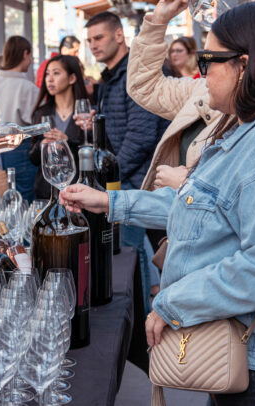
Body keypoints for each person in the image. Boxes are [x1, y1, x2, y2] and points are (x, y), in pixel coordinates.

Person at [61, 1, 255, 403]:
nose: (201, 74)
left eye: (208, 60)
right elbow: (205, 209)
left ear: (243, 65)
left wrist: (173, 302)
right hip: (244, 351)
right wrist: (111, 203)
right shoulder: (253, 124)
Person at [84, 11, 167, 312]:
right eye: (90, 40)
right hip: (127, 175)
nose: (93, 45)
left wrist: (110, 177)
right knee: (135, 252)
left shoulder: (134, 71)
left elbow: (142, 136)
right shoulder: (111, 76)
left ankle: (142, 322)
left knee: (133, 253)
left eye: (99, 37)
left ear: (119, 36)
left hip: (139, 177)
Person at [126, 2, 223, 257]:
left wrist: (187, 183)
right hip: (185, 240)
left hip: (212, 259)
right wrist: (158, 20)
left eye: (211, 59)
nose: (205, 71)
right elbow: (144, 87)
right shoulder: (203, 88)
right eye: (203, 60)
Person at [29, 55, 90, 199]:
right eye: (47, 74)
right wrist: (42, 146)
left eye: (56, 73)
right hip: (46, 193)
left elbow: (94, 153)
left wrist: (67, 142)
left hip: (78, 193)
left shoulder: (85, 114)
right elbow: (33, 159)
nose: (50, 79)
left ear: (72, 78)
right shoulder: (42, 113)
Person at [0, 36, 40, 202]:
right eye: (31, 57)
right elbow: (37, 123)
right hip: (20, 148)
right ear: (25, 54)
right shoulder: (28, 88)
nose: (31, 61)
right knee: (23, 199)